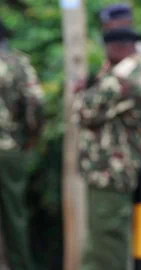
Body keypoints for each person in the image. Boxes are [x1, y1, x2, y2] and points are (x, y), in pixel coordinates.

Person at [74, 28, 141, 270]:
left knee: (105, 244)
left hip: (110, 171)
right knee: (104, 240)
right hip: (116, 169)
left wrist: (84, 89)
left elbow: (84, 110)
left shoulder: (124, 77)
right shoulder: (140, 71)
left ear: (116, 48)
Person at [0, 20, 44, 270]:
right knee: (14, 214)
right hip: (8, 148)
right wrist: (30, 138)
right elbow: (35, 103)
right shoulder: (17, 63)